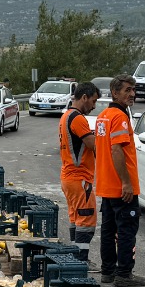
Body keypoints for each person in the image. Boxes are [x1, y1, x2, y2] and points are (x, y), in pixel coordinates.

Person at [95, 75, 145, 287]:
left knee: (108, 230)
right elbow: (116, 150)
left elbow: (101, 150)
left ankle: (108, 271)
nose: (132, 94)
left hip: (106, 185)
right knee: (126, 230)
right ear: (114, 93)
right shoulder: (120, 117)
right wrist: (126, 182)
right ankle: (124, 273)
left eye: (133, 90)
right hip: (121, 187)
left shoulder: (103, 116)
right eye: (127, 90)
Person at [57, 80, 100, 256]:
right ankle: (82, 260)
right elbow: (93, 145)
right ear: (84, 97)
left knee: (76, 220)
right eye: (93, 101)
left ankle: (75, 258)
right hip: (80, 178)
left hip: (69, 178)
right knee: (87, 220)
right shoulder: (78, 118)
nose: (94, 106)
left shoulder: (66, 116)